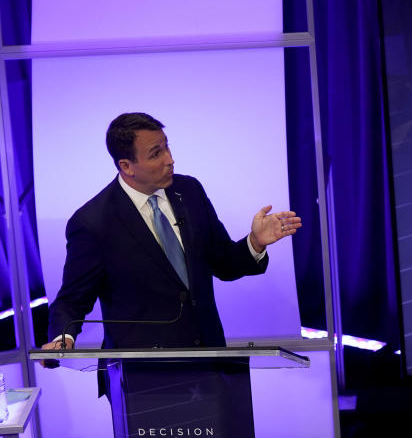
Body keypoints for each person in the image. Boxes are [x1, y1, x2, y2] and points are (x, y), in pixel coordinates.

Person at [42, 112, 302, 358]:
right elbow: (72, 300)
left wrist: (254, 242)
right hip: (143, 376)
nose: (170, 159)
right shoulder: (93, 222)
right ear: (126, 165)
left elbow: (223, 263)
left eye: (167, 146)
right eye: (157, 153)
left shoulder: (189, 191)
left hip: (209, 361)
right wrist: (62, 337)